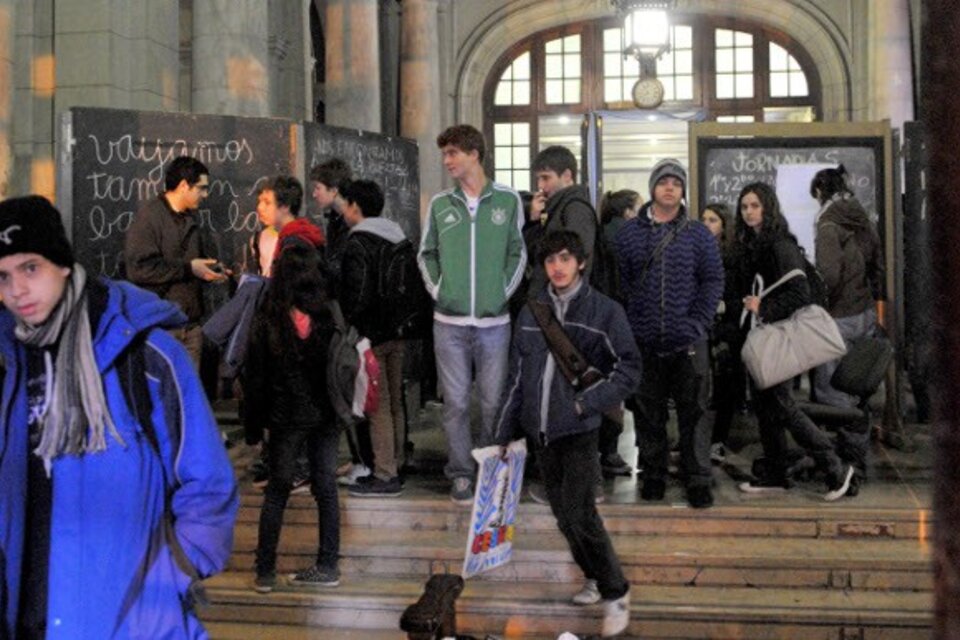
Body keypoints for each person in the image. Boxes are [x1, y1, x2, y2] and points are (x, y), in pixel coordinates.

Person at [0, 196, 238, 639]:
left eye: (30, 268)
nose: (17, 290)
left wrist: (172, 575)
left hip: (133, 621)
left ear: (63, 265)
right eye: (2, 276)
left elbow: (209, 483)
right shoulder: (9, 364)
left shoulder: (145, 357)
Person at [494, 230, 638, 638]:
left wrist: (586, 403)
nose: (557, 267)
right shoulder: (531, 311)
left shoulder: (603, 311)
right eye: (550, 260)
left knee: (580, 512)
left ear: (580, 262)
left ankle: (616, 589)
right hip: (541, 434)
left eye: (564, 258)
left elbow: (629, 367)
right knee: (563, 515)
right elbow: (516, 377)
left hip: (578, 429)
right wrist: (503, 431)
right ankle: (594, 576)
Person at [418, 124, 526, 504]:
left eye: (453, 153)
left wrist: (501, 292)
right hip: (448, 323)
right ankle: (461, 473)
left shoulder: (508, 201)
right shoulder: (441, 204)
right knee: (457, 403)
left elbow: (518, 252)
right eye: (444, 154)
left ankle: (490, 469)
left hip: (495, 322)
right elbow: (425, 252)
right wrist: (440, 290)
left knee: (494, 402)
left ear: (474, 154)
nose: (447, 161)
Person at [731, 182, 855, 500]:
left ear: (768, 207)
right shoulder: (755, 243)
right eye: (744, 206)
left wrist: (763, 307)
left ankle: (835, 467)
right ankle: (776, 474)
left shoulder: (778, 245)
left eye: (755, 205)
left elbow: (799, 292)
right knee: (767, 407)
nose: (748, 212)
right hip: (771, 340)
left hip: (781, 340)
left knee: (782, 407)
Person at [615, 158, 723, 509]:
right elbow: (621, 283)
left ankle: (698, 478)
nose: (670, 187)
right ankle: (654, 474)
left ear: (682, 190)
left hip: (689, 340)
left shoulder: (697, 234)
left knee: (695, 413)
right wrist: (630, 325)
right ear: (652, 188)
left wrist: (699, 321)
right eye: (663, 181)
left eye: (676, 182)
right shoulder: (629, 234)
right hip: (644, 340)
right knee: (648, 413)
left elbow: (712, 280)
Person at [243, 245, 343, 593]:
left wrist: (254, 429)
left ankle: (265, 571)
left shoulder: (269, 317)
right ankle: (328, 564)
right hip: (327, 413)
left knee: (277, 491)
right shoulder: (329, 316)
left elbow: (254, 378)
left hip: (286, 417)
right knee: (326, 489)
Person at [810, 165, 884, 482]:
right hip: (864, 311)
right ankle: (857, 456)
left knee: (831, 391)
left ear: (819, 193)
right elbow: (877, 265)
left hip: (839, 315)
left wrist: (818, 301)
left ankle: (845, 463)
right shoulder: (862, 218)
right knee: (856, 389)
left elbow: (828, 275)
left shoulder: (828, 224)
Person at [339, 179, 409, 498]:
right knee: (395, 402)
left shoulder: (358, 243)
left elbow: (356, 294)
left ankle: (385, 473)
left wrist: (352, 325)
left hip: (371, 336)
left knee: (376, 406)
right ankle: (398, 462)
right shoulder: (397, 236)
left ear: (355, 206)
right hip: (398, 330)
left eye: (345, 203)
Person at [125, 156, 228, 366]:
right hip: (161, 327)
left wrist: (209, 271)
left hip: (190, 326)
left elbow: (189, 266)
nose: (205, 195)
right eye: (201, 188)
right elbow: (139, 269)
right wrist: (189, 268)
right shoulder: (149, 218)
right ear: (183, 186)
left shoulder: (190, 218)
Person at [699, 202, 744, 464]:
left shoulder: (732, 257)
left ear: (724, 225)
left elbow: (736, 297)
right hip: (705, 328)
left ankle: (719, 440)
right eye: (704, 219)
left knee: (724, 389)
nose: (707, 224)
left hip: (727, 330)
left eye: (713, 220)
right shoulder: (696, 252)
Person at [309, 157, 353, 283]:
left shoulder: (354, 223)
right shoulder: (335, 219)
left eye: (318, 188)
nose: (314, 194)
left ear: (334, 191)